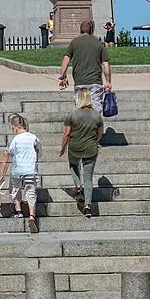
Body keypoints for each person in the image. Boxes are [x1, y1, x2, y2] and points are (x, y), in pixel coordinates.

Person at [60, 88, 104, 218]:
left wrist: (63, 147)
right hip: (91, 149)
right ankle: (87, 206)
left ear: (79, 99)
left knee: (73, 165)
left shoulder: (72, 114)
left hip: (75, 147)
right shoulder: (97, 115)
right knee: (88, 178)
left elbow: (67, 134)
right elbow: (100, 134)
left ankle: (78, 187)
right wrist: (93, 141)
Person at [0, 112, 41, 233]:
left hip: (17, 170)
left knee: (14, 189)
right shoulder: (33, 137)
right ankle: (32, 216)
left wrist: (2, 174)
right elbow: (38, 151)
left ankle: (18, 211)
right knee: (31, 192)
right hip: (30, 170)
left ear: (14, 127)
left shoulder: (15, 140)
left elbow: (6, 155)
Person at [58, 18, 112, 96]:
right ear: (92, 30)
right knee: (96, 107)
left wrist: (62, 77)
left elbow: (66, 59)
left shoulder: (74, 42)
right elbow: (106, 64)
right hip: (95, 81)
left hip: (79, 81)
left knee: (81, 106)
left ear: (81, 29)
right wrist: (108, 82)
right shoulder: (98, 43)